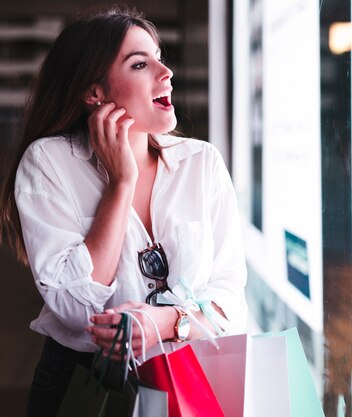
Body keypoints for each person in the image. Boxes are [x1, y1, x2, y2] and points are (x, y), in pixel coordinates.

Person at [0, 6, 247, 417]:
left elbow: (231, 299)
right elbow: (77, 308)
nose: (165, 72)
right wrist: (121, 183)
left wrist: (166, 322)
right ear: (94, 92)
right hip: (86, 383)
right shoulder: (48, 162)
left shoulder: (201, 163)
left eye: (159, 57)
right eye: (139, 63)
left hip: (192, 377)